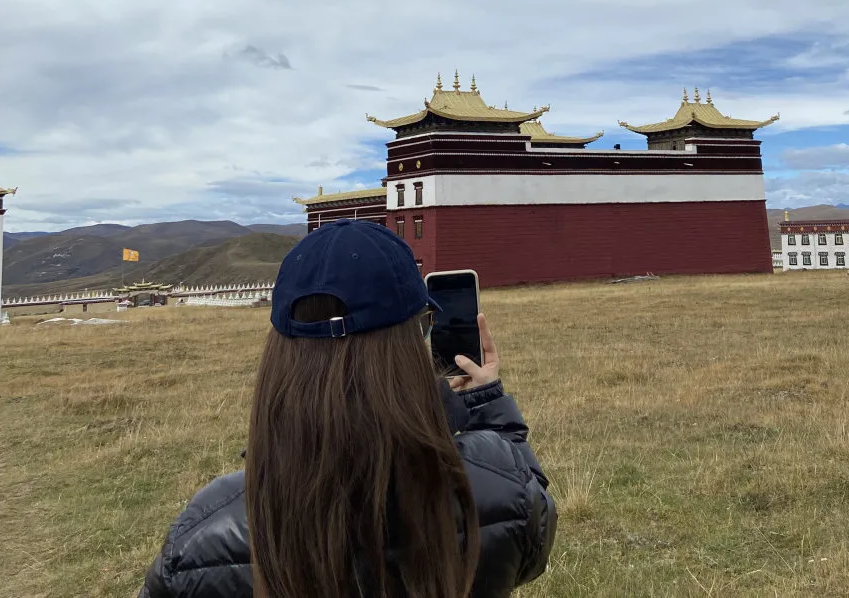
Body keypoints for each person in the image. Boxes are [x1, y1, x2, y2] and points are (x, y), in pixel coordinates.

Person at [137, 218, 557, 598]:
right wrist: (489, 410)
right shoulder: (497, 484)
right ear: (414, 341)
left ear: (281, 356)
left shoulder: (203, 533)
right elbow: (532, 536)